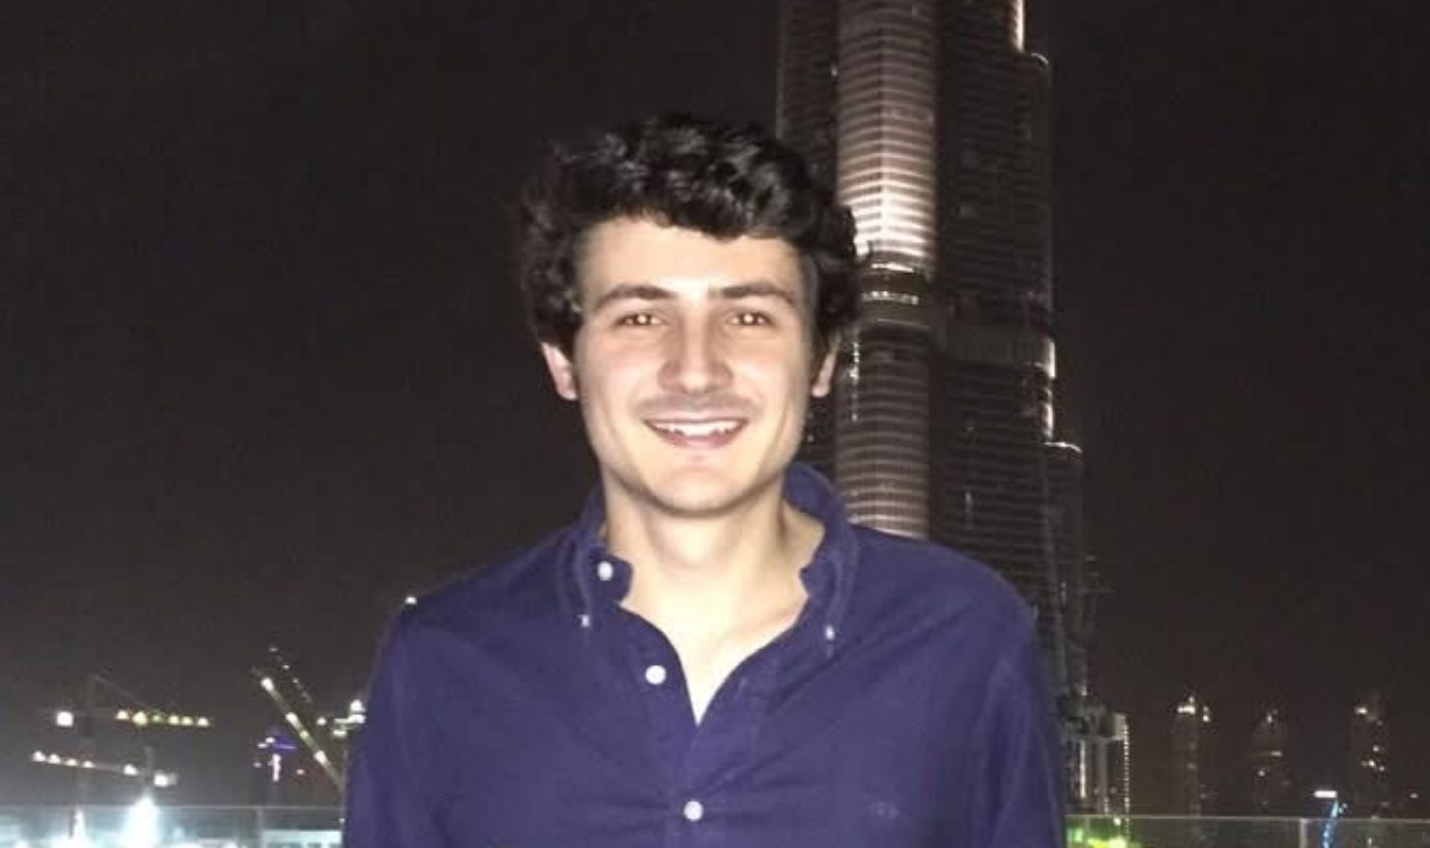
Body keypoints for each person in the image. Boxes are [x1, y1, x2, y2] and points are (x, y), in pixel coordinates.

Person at [344, 114, 1063, 848]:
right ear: (564, 360)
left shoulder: (967, 639)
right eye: (640, 317)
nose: (695, 370)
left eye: (748, 317)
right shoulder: (442, 661)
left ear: (821, 359)